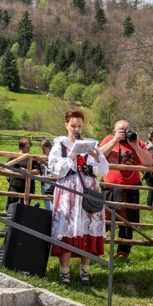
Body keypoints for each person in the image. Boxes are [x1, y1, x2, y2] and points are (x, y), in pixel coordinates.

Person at [49, 109, 109, 286]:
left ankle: (85, 272)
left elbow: (103, 170)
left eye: (79, 126)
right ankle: (64, 274)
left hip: (88, 192)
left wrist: (97, 158)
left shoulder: (90, 145)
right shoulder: (59, 146)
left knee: (88, 229)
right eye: (73, 125)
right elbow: (55, 170)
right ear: (66, 124)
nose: (76, 129)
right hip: (68, 192)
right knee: (67, 229)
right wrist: (71, 156)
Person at [99, 120, 152, 259]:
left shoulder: (137, 142)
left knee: (128, 220)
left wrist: (135, 145)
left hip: (131, 188)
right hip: (110, 187)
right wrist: (114, 141)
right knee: (103, 219)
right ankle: (97, 249)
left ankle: (123, 252)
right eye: (121, 130)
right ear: (114, 131)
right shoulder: (109, 139)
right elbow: (99, 156)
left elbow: (148, 162)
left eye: (126, 130)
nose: (124, 133)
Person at [6, 138, 40, 208]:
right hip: (15, 184)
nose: (28, 149)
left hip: (28, 184)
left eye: (29, 147)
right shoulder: (14, 156)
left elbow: (37, 171)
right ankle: (10, 218)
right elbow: (6, 168)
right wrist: (15, 172)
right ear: (21, 147)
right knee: (11, 204)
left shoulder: (32, 157)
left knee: (25, 206)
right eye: (26, 147)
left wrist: (27, 171)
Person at [39, 139, 55, 211]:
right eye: (41, 149)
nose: (42, 151)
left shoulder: (54, 157)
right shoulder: (41, 158)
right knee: (47, 205)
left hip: (52, 183)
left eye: (44, 149)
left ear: (49, 148)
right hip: (44, 183)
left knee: (53, 205)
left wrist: (45, 163)